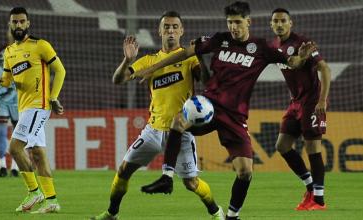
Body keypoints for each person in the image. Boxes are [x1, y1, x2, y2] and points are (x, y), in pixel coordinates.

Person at [132, 2, 316, 219]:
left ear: (248, 21)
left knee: (245, 172)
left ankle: (231, 215)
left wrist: (302, 57)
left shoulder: (262, 48)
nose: (234, 27)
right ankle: (167, 177)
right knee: (178, 121)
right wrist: (152, 68)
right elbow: (185, 53)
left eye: (238, 22)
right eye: (230, 23)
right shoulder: (220, 39)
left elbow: (292, 62)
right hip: (208, 106)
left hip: (235, 116)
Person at [91, 11, 224, 220]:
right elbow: (118, 80)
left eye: (174, 27)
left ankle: (216, 212)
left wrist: (199, 55)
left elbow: (207, 83)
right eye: (166, 27)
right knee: (124, 170)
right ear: (160, 31)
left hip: (181, 131)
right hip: (153, 129)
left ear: (181, 31)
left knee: (191, 183)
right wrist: (127, 61)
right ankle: (111, 213)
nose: (170, 31)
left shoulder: (189, 60)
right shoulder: (149, 61)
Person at [0, 7, 66, 213]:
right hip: (24, 107)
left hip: (38, 106)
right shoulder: (9, 52)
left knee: (15, 148)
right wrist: (1, 81)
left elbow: (60, 70)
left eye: (21, 21)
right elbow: (8, 80)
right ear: (9, 25)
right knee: (38, 154)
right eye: (14, 22)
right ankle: (51, 200)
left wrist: (53, 97)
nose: (18, 25)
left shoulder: (40, 45)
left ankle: (34, 191)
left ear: (28, 23)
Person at [270, 8, 331, 211]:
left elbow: (325, 69)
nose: (279, 24)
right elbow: (294, 62)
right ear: (271, 24)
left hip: (312, 101)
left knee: (312, 148)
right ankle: (310, 187)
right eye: (275, 21)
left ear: (290, 23)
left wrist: (322, 100)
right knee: (282, 145)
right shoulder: (274, 47)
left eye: (283, 21)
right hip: (295, 102)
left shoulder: (302, 42)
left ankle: (319, 200)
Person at [0, 29, 19, 177]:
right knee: (1, 131)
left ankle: (14, 166)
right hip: (1, 97)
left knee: (18, 133)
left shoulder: (27, 51)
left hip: (19, 98)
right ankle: (2, 165)